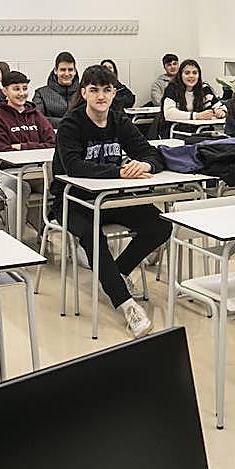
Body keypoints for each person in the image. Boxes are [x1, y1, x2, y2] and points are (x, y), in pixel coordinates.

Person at [51, 65, 168, 338]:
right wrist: (118, 171)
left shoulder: (119, 121)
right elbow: (74, 167)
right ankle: (127, 305)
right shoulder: (71, 124)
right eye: (94, 90)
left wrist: (145, 165)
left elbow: (151, 153)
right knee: (93, 236)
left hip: (112, 198)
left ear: (115, 93)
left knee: (160, 225)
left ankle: (116, 275)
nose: (101, 96)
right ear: (84, 93)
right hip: (72, 201)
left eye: (106, 90)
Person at [0, 71, 56, 237]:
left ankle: (47, 232)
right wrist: (37, 147)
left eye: (24, 88)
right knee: (19, 191)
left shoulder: (36, 115)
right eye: (16, 89)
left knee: (58, 187)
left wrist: (23, 147)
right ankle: (15, 242)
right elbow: (1, 152)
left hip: (37, 171)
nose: (21, 93)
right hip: (6, 173)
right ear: (5, 91)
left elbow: (53, 143)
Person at [160, 59, 226, 131]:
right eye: (187, 73)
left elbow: (220, 106)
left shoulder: (204, 89)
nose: (191, 76)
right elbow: (169, 114)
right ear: (180, 75)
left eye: (195, 73)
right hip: (176, 130)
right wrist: (196, 116)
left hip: (201, 131)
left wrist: (220, 112)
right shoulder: (172, 89)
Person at [33, 52, 80, 128]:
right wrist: (69, 123)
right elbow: (37, 118)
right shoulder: (41, 93)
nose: (67, 73)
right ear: (55, 70)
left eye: (70, 70)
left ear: (75, 71)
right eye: (63, 70)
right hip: (51, 137)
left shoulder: (84, 92)